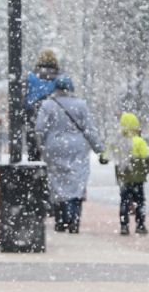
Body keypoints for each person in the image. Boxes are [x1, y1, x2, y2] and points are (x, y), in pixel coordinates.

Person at [35, 75, 104, 234]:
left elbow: (39, 129)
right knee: (77, 182)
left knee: (57, 183)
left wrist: (42, 148)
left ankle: (60, 220)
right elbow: (89, 130)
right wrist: (99, 149)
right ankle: (74, 219)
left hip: (54, 147)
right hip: (77, 148)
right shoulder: (81, 105)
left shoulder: (48, 105)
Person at [100, 112, 149, 235]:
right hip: (138, 178)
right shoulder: (139, 141)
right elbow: (146, 157)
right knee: (140, 201)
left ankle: (124, 225)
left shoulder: (118, 142)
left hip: (123, 178)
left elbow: (104, 158)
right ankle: (140, 224)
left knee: (124, 201)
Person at [24, 50, 60, 161]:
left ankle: (33, 167)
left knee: (33, 142)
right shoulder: (59, 78)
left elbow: (23, 96)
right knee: (52, 142)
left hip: (32, 112)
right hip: (52, 113)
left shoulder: (30, 77)